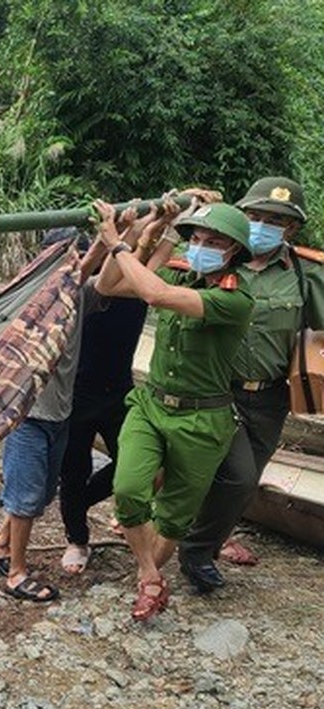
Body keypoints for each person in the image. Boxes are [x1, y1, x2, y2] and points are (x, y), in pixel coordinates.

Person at [95, 200, 254, 620]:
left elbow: (154, 294)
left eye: (213, 242)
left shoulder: (235, 300)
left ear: (233, 251)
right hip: (151, 405)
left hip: (202, 420)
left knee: (172, 520)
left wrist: (116, 244)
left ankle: (150, 579)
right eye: (196, 238)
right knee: (128, 488)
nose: (201, 247)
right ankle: (149, 576)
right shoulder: (178, 271)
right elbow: (107, 286)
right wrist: (141, 233)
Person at [177, 178, 324, 591]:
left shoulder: (304, 274)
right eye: (255, 217)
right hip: (214, 390)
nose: (262, 226)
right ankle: (194, 550)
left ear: (291, 229)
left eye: (275, 220)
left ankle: (200, 543)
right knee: (228, 475)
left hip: (269, 396)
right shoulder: (218, 259)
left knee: (244, 482)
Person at [0, 234, 110, 601]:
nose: (79, 267)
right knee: (24, 498)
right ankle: (16, 574)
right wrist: (104, 238)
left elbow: (105, 276)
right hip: (28, 413)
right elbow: (73, 276)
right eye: (73, 259)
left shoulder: (79, 296)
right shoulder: (34, 298)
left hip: (60, 413)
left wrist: (146, 229)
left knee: (39, 492)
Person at [55, 204, 178, 573]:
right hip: (77, 394)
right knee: (72, 471)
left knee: (142, 465)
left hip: (121, 392)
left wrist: (175, 211)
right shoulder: (84, 289)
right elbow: (111, 264)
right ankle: (77, 538)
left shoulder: (142, 281)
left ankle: (88, 504)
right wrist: (125, 230)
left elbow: (163, 245)